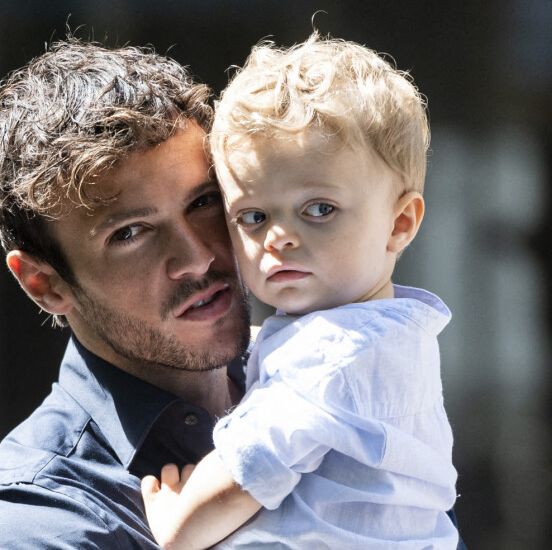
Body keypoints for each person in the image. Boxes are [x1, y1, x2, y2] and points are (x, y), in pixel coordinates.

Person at [141, 34, 461, 549]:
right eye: (253, 216)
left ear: (400, 223)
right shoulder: (383, 335)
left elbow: (247, 469)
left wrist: (176, 523)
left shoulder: (333, 357)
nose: (279, 236)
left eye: (319, 210)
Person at [0, 37, 251, 549]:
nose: (197, 258)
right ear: (44, 285)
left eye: (204, 201)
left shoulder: (322, 382)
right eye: (131, 233)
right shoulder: (38, 516)